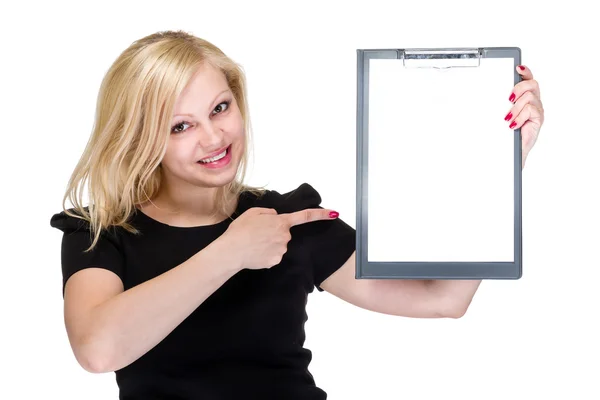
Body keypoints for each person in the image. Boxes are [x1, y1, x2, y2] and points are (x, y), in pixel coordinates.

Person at [49, 30, 545, 399]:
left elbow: (443, 299)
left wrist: (502, 165)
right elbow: (98, 349)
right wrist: (230, 251)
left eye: (220, 108)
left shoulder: (292, 219)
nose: (213, 137)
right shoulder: (101, 231)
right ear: (138, 138)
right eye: (181, 125)